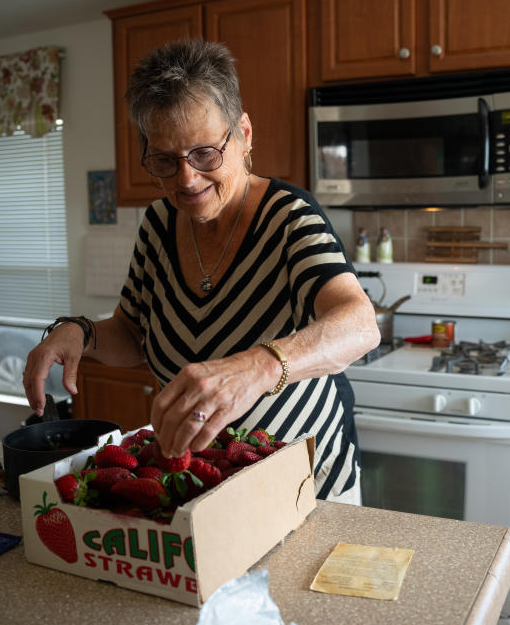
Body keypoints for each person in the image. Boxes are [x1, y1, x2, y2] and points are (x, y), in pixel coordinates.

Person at [22, 38, 379, 503]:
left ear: (244, 134)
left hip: (304, 485)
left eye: (205, 153)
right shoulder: (158, 224)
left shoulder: (290, 217)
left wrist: (258, 366)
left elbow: (360, 325)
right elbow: (134, 333)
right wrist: (82, 333)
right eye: (165, 161)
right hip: (204, 485)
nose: (186, 179)